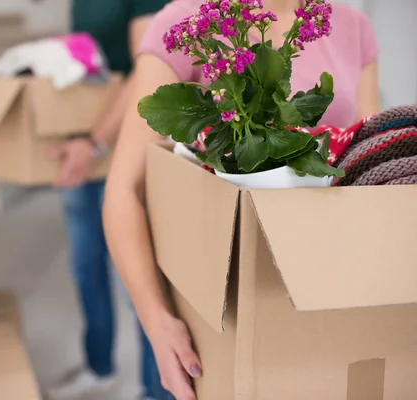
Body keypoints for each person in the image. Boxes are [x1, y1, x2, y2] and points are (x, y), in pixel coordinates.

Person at [103, 1, 380, 399]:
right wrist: (157, 321)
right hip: (211, 300)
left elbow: (364, 156)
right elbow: (124, 190)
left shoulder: (351, 24)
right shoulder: (188, 20)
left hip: (324, 281)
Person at [48, 1, 173, 399]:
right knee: (86, 267)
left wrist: (95, 142)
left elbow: (147, 70)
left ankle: (154, 391)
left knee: (135, 279)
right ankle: (99, 367)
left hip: (120, 145)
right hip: (81, 144)